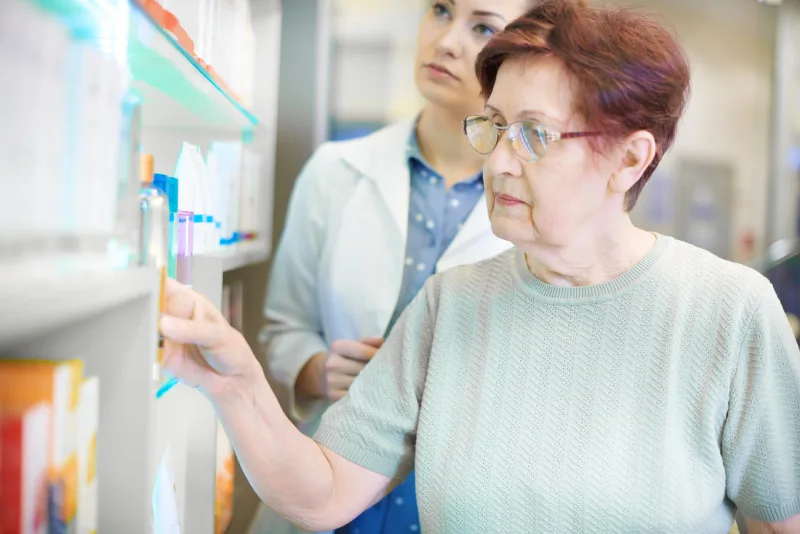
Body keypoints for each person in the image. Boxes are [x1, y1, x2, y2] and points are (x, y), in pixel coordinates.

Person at [159, 1, 800, 532]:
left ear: (630, 160)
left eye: (534, 135)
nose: (497, 163)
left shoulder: (730, 310)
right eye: (493, 127)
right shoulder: (451, 305)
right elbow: (324, 491)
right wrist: (236, 384)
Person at [259, 0, 531, 532]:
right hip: (327, 480)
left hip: (456, 502)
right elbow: (282, 327)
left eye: (482, 27)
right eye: (440, 10)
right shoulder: (335, 171)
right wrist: (317, 371)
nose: (447, 40)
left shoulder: (532, 204)